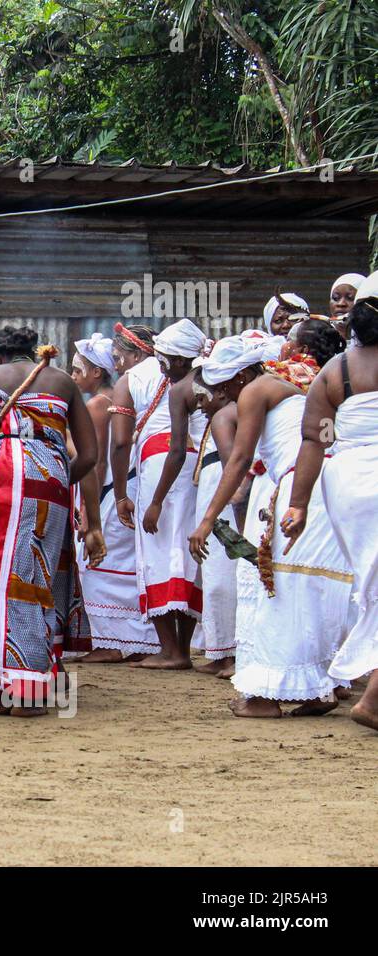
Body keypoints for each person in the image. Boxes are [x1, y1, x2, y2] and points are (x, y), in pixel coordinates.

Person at [189, 327, 350, 717]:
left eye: (223, 384)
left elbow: (240, 459)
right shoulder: (308, 379)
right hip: (329, 487)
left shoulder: (256, 390)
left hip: (297, 486)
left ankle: (262, 697)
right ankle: (317, 689)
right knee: (308, 586)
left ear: (241, 376)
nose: (220, 394)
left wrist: (207, 520)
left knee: (273, 586)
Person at [0, 327, 103, 715]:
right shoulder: (62, 381)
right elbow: (89, 456)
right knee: (38, 575)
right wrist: (54, 481)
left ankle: (3, 688)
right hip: (50, 483)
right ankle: (31, 684)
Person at [282, 271, 378, 731]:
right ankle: (372, 700)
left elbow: (315, 440)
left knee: (371, 584)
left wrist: (298, 505)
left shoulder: (335, 370)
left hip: (347, 484)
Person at [84, 323, 162, 662]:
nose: (118, 365)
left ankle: (114, 642)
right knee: (131, 562)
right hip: (145, 476)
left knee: (105, 561)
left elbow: (112, 448)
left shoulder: (125, 386)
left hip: (123, 480)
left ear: (135, 354)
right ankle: (137, 641)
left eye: (120, 358)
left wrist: (110, 498)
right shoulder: (164, 377)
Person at [133, 319, 207, 669]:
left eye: (163, 360)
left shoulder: (180, 389)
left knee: (158, 554)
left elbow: (176, 450)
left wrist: (156, 501)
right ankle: (184, 647)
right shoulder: (209, 381)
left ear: (178, 361)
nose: (160, 367)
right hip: (197, 476)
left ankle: (171, 651)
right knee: (188, 557)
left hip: (169, 474)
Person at [188, 387, 239, 677]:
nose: (199, 404)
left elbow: (235, 465)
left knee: (224, 572)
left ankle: (233, 653)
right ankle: (222, 651)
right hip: (215, 490)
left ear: (221, 392)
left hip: (225, 494)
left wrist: (211, 518)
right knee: (216, 573)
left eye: (202, 397)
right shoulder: (220, 413)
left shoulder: (224, 415)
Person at [328, 273, 365, 337]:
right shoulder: (320, 340)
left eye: (350, 298)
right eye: (335, 298)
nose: (341, 304)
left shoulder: (373, 343)